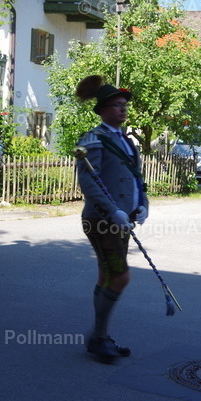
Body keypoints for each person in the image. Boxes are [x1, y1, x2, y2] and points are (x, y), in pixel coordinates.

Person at [73, 75, 149, 363]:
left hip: (122, 221)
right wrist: (113, 211)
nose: (123, 109)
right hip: (101, 221)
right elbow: (90, 182)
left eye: (124, 104)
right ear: (103, 110)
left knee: (107, 275)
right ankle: (98, 336)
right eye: (117, 105)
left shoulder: (127, 141)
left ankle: (100, 336)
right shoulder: (92, 140)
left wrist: (142, 204)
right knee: (120, 276)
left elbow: (137, 179)